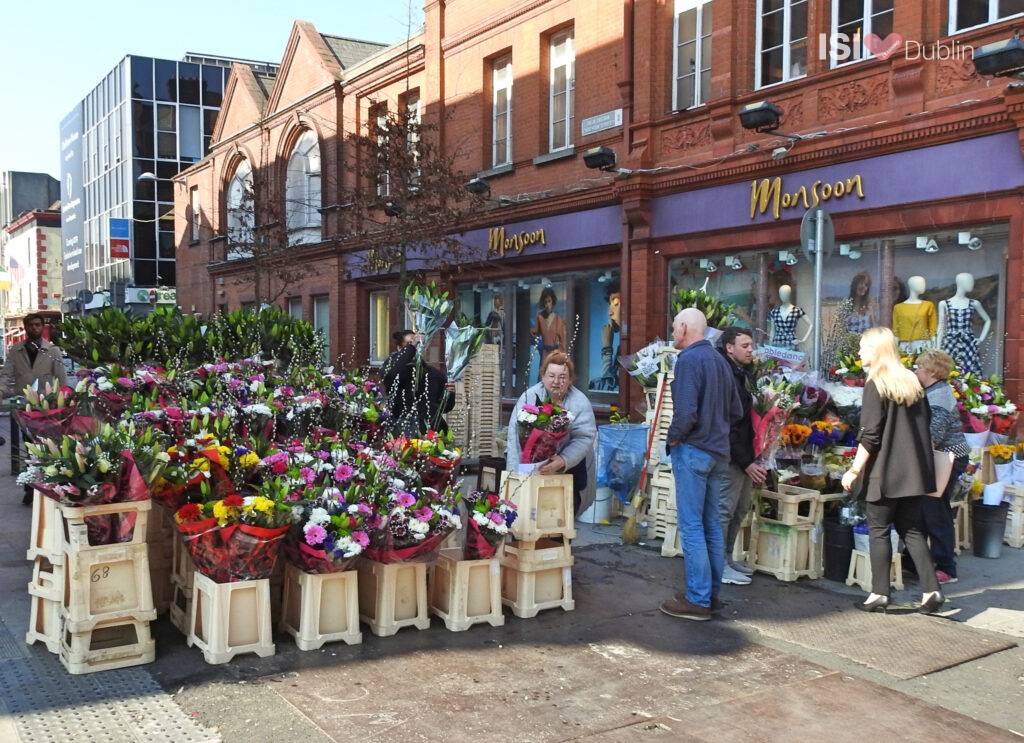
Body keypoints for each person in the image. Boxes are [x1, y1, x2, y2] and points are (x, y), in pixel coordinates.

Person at [841, 327, 944, 614]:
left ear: (876, 350)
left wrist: (853, 469)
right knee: (912, 530)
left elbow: (870, 435)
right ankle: (931, 589)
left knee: (879, 531)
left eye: (863, 347)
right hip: (914, 473)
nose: (859, 352)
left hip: (884, 473)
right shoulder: (911, 382)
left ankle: (879, 594)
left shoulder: (877, 384)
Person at [660, 308, 743, 621]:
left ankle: (697, 599)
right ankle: (710, 595)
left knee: (692, 526)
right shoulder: (721, 361)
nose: (672, 333)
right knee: (711, 526)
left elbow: (685, 414)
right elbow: (736, 411)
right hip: (719, 453)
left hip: (694, 450)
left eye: (673, 327)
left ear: (683, 328)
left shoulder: (689, 360)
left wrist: (673, 439)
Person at [506, 351, 597, 515]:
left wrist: (563, 460)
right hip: (530, 469)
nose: (556, 382)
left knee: (559, 520)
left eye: (562, 377)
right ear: (542, 376)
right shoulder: (528, 397)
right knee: (527, 518)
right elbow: (514, 438)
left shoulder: (580, 401)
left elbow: (585, 437)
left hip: (569, 470)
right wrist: (514, 476)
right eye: (551, 376)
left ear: (570, 379)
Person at [914, 349, 970, 585]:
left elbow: (932, 435)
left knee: (935, 508)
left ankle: (946, 567)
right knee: (929, 508)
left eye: (919, 367)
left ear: (932, 372)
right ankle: (922, 561)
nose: (915, 370)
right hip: (941, 455)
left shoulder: (939, 396)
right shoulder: (932, 391)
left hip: (947, 458)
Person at [717, 328, 767, 586]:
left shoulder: (745, 374)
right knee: (725, 510)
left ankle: (727, 557)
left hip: (746, 453)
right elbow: (729, 424)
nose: (750, 350)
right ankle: (719, 565)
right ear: (729, 348)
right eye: (745, 345)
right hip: (731, 456)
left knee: (740, 508)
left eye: (751, 345)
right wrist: (746, 462)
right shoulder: (726, 374)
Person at [380, 329, 453, 437]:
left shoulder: (433, 374)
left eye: (418, 344)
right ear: (399, 348)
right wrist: (411, 348)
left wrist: (451, 394)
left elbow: (445, 408)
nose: (415, 348)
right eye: (409, 344)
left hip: (431, 435)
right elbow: (391, 377)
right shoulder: (391, 368)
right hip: (402, 433)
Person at [0, 314, 68, 399]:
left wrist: (64, 399)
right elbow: (6, 375)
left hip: (46, 403)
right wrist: (1, 390)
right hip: (21, 401)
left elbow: (62, 378)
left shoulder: (53, 350)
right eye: (30, 325)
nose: (34, 327)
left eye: (37, 325)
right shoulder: (15, 350)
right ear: (25, 327)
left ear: (43, 327)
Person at [589, 282, 621, 392]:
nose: (610, 312)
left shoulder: (630, 346)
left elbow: (608, 386)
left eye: (616, 303)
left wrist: (607, 348)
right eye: (610, 305)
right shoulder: (622, 346)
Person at [532, 287, 566, 357]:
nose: (547, 305)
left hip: (555, 354)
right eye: (545, 302)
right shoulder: (540, 317)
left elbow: (562, 340)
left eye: (549, 301)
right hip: (544, 353)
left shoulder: (558, 319)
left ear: (553, 301)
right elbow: (535, 333)